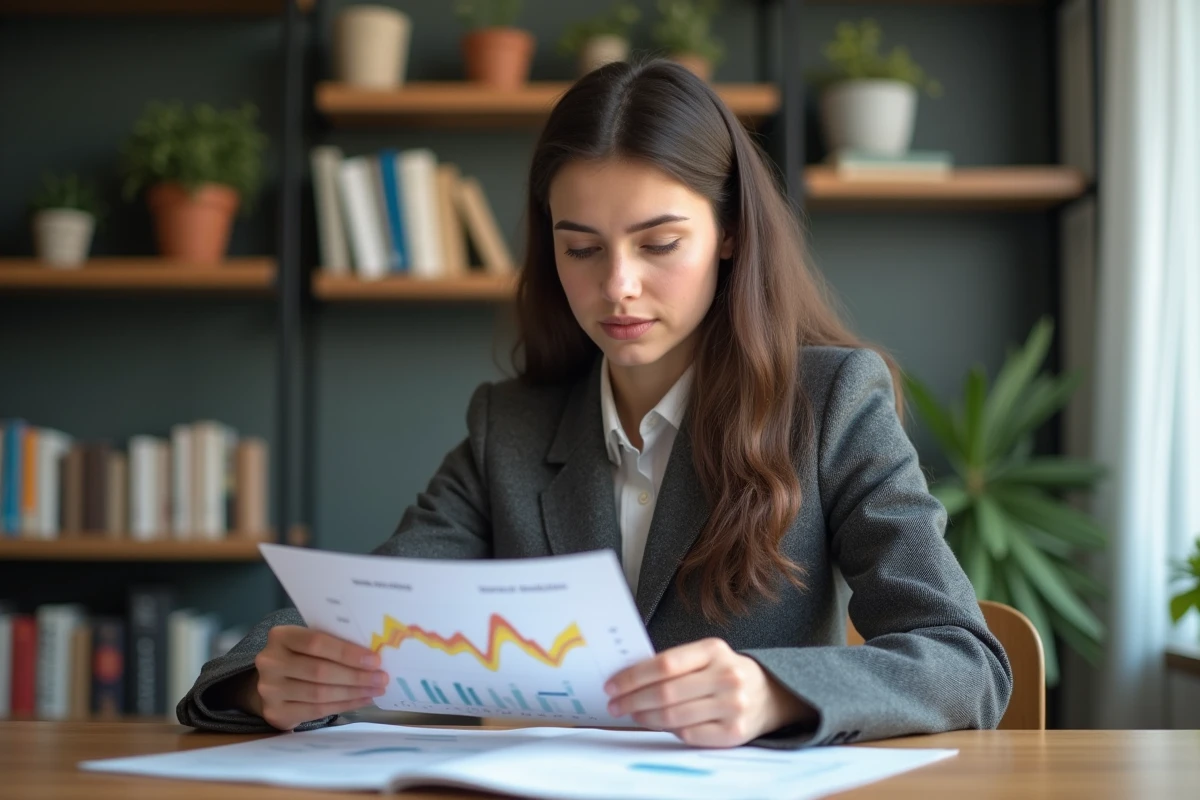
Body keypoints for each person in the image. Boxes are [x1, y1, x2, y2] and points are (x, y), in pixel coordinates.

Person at [179, 58, 1012, 749]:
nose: (617, 286)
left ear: (728, 235)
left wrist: (771, 692)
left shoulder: (831, 402)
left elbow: (963, 660)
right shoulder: (510, 425)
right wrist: (265, 681)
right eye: (581, 248)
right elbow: (385, 597)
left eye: (659, 244)